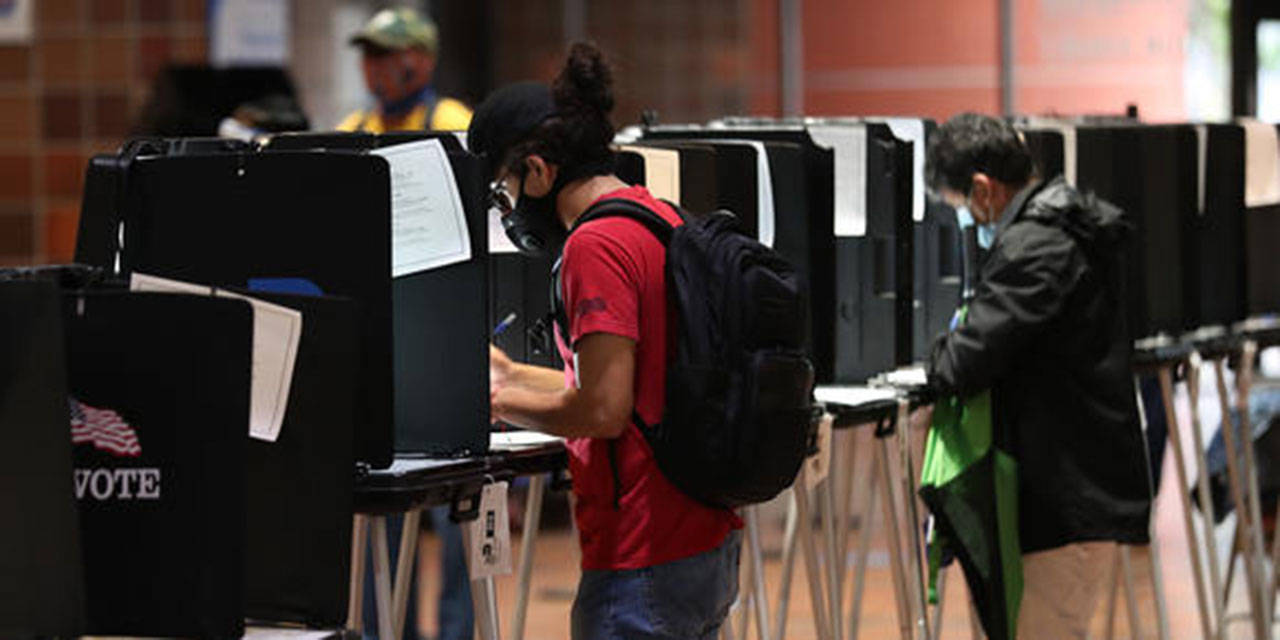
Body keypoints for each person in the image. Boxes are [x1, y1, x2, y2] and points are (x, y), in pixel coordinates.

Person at [469, 43, 742, 640]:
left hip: (642, 554)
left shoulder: (593, 247)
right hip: (702, 535)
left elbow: (603, 409)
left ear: (538, 171)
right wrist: (509, 377)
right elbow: (632, 379)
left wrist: (489, 403)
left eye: (504, 192)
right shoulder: (657, 217)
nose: (509, 210)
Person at [925, 113, 1153, 639]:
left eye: (961, 209)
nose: (968, 224)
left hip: (1062, 505)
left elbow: (962, 363)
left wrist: (939, 348)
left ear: (983, 189)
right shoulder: (1067, 225)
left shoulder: (1037, 247)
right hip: (1070, 493)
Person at [338, 7, 471, 133]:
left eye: (384, 52)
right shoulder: (352, 129)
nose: (373, 65)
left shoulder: (452, 125)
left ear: (424, 60)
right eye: (368, 53)